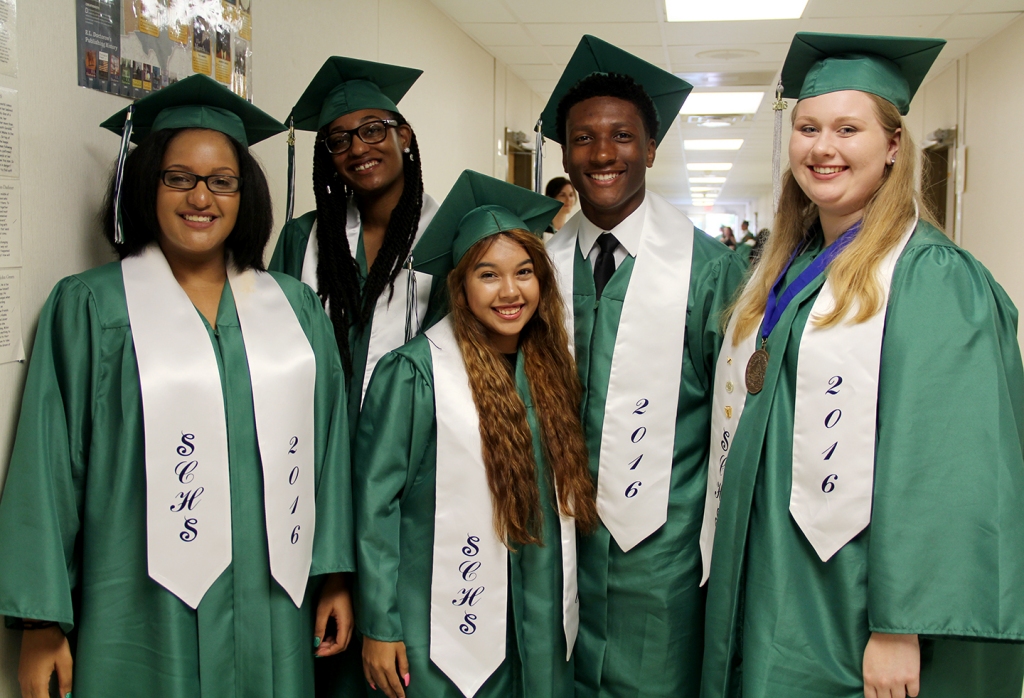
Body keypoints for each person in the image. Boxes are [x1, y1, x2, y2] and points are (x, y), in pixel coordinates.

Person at [0, 75, 355, 697]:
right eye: (179, 177)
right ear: (146, 186)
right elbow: (47, 468)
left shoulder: (293, 309)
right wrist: (41, 621)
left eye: (222, 180)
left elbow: (328, 451)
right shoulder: (90, 307)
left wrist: (333, 576)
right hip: (138, 611)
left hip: (273, 602)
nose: (202, 197)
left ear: (246, 195)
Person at [700, 33, 1024, 698]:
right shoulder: (783, 265)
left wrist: (902, 624)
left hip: (853, 591)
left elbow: (951, 464)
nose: (823, 148)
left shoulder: (932, 278)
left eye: (849, 129)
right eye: (808, 128)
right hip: (775, 566)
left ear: (894, 146)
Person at [539, 36, 746, 697]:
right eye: (583, 139)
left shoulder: (712, 271)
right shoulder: (531, 268)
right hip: (551, 549)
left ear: (652, 149)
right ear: (565, 154)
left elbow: (735, 427)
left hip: (662, 563)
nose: (603, 154)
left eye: (622, 135)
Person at [354, 170, 598, 698]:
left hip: (535, 605)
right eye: (488, 275)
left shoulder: (550, 369)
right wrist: (380, 622)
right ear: (460, 285)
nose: (510, 291)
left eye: (525, 272)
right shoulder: (415, 373)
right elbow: (376, 504)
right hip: (437, 612)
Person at [269, 56, 443, 424]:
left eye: (373, 130)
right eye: (339, 139)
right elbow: (272, 346)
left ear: (404, 136)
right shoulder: (303, 239)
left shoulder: (446, 239)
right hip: (311, 435)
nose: (359, 148)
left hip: (407, 442)